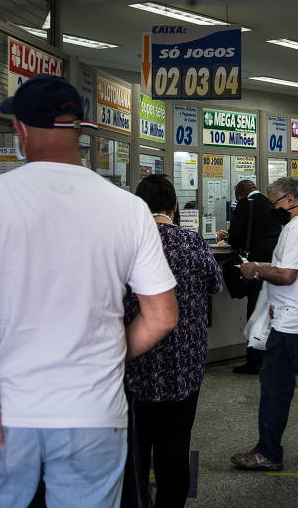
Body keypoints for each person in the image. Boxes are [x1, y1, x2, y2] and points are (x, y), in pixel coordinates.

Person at [0, 73, 178, 508]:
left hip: (7, 414)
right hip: (95, 413)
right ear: (80, 129)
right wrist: (110, 352)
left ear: (21, 129)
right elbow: (162, 316)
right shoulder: (129, 208)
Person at [122, 175, 223, 508]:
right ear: (175, 206)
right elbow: (215, 284)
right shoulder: (191, 242)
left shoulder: (126, 242)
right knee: (175, 449)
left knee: (134, 452)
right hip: (184, 369)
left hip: (136, 368)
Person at [230, 177, 298, 471]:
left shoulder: (296, 228)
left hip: (294, 324)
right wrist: (268, 267)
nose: (272, 208)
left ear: (290, 200)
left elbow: (288, 275)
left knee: (275, 386)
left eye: (274, 202)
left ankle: (267, 452)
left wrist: (255, 271)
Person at [217, 179, 282, 374]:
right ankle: (269, 355)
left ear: (240, 194)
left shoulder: (246, 204)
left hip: (255, 264)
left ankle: (254, 360)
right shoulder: (271, 203)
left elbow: (237, 236)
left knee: (254, 310)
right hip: (273, 262)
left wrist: (227, 237)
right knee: (267, 310)